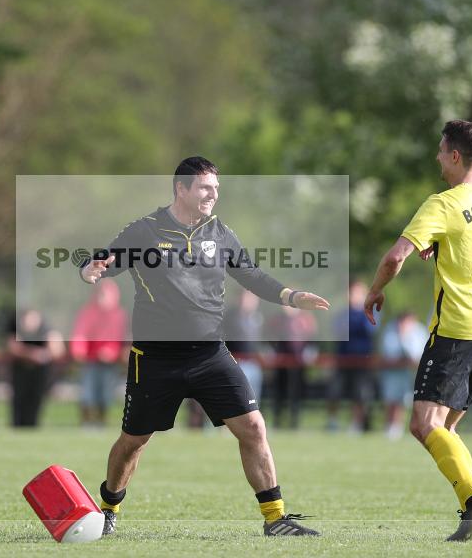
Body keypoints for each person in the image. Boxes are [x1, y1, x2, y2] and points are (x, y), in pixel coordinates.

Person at [79, 156, 330, 537]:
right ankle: (108, 510)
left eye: (216, 188)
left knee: (253, 427)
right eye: (205, 188)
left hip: (211, 355)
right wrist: (90, 267)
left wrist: (292, 296)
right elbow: (109, 259)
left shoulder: (221, 233)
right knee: (133, 442)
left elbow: (252, 275)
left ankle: (275, 518)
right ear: (181, 189)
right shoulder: (145, 230)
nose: (213, 194)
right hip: (156, 360)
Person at [363, 120, 472, 541]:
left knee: (424, 424)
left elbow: (396, 257)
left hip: (456, 330)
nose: (436, 157)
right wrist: (450, 243)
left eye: (440, 150)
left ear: (455, 156)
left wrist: (376, 290)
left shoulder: (443, 204)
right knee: (444, 428)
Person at [69, 279, 127, 427]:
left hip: (110, 362)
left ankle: (101, 422)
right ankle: (86, 423)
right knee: (87, 393)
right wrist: (78, 349)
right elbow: (80, 333)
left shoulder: (119, 315)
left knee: (106, 395)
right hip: (90, 361)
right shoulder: (88, 312)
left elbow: (119, 338)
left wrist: (112, 352)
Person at [327, 279, 376, 432]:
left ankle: (356, 424)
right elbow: (337, 331)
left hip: (361, 361)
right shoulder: (342, 313)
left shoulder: (368, 312)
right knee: (334, 392)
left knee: (360, 395)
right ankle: (332, 423)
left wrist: (361, 311)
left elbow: (370, 329)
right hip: (342, 360)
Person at [7, 308, 65, 427]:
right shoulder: (18, 327)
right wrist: (32, 354)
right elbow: (12, 347)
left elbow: (58, 349)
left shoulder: (46, 329)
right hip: (21, 372)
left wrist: (45, 354)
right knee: (18, 408)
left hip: (39, 374)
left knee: (35, 407)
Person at [265, 306, 317, 430]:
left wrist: (310, 351)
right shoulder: (278, 320)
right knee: (279, 392)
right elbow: (270, 337)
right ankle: (277, 421)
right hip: (281, 362)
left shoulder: (305, 319)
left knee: (296, 392)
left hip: (298, 363)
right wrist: (271, 351)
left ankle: (294, 422)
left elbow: (312, 338)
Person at [379, 312, 427, 440]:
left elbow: (418, 356)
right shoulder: (390, 331)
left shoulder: (419, 332)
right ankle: (391, 426)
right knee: (391, 399)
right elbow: (387, 355)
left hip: (412, 373)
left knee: (405, 401)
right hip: (392, 372)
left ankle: (400, 427)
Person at [224, 290, 267, 404]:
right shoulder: (230, 317)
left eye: (253, 299)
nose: (250, 302)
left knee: (253, 400)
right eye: (247, 299)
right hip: (237, 363)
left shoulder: (257, 318)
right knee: (234, 399)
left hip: (254, 364)